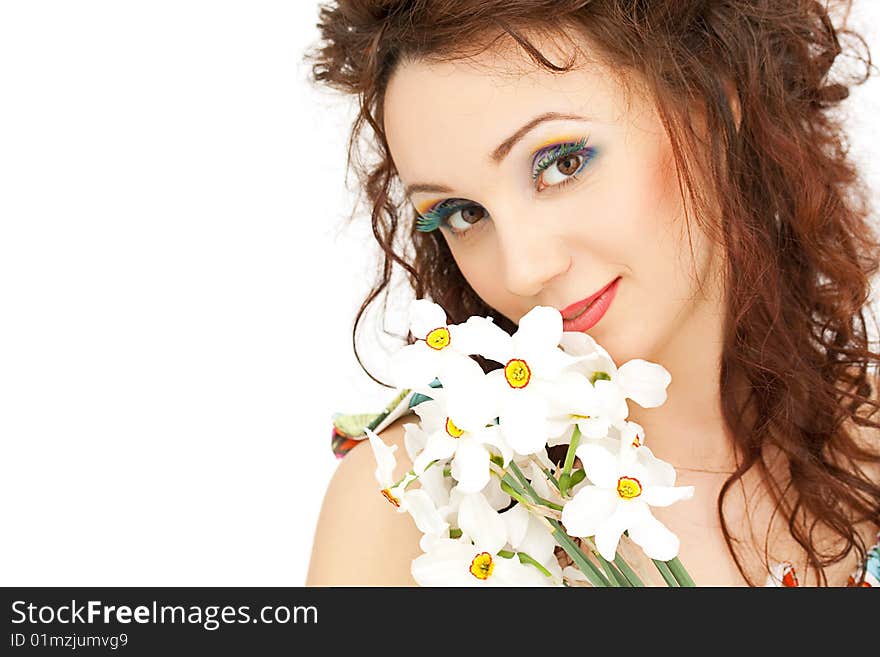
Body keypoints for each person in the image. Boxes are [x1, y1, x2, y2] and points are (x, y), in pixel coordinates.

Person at [303, 0, 880, 586]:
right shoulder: (409, 504)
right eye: (461, 213)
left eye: (561, 164)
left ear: (710, 102)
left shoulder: (871, 436)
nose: (523, 269)